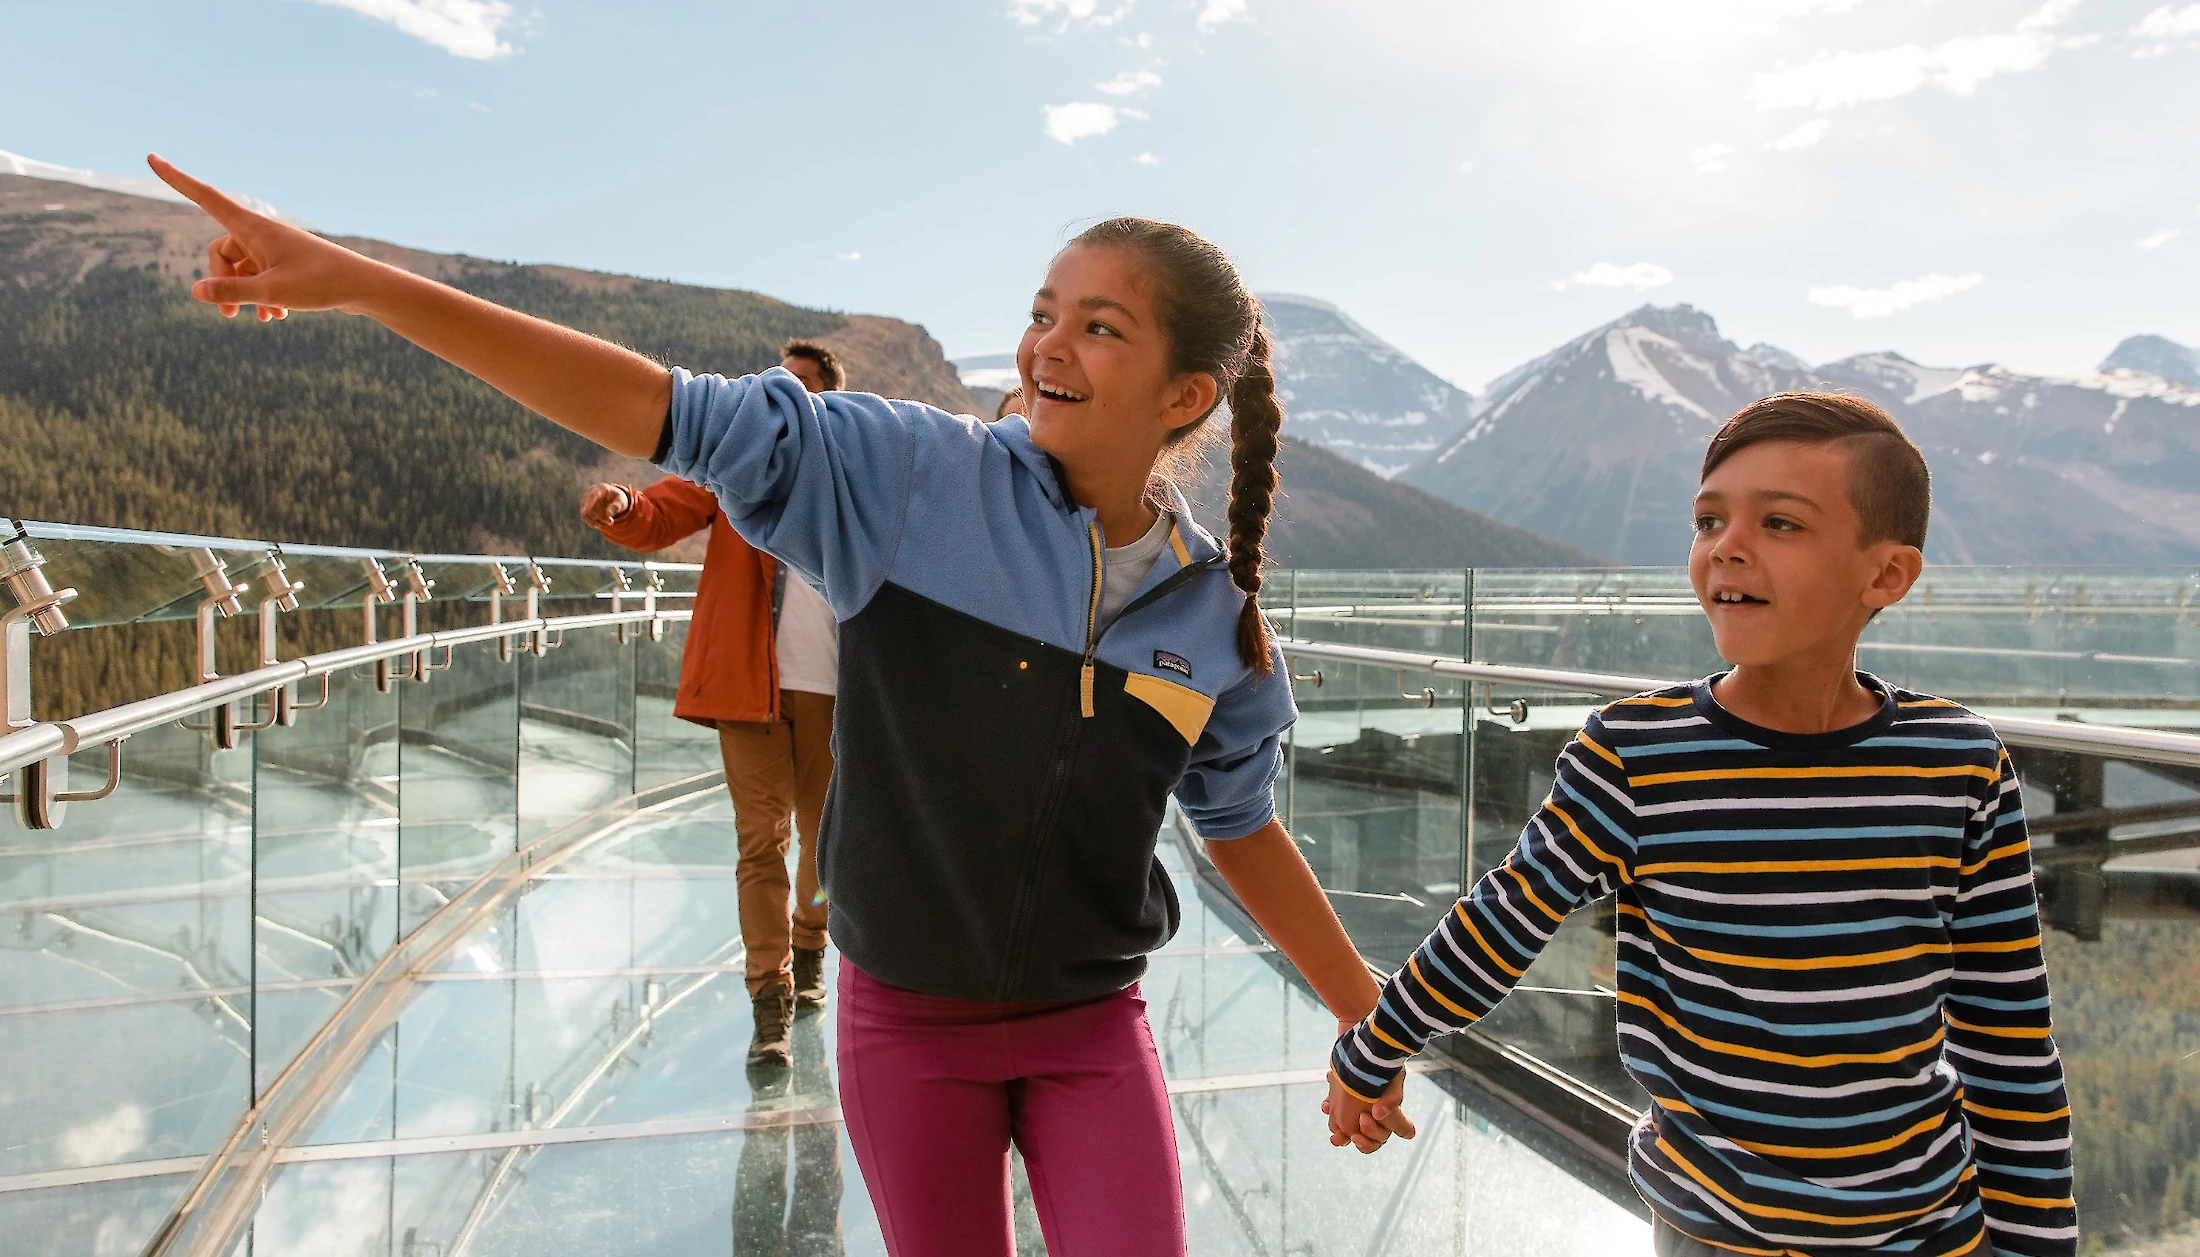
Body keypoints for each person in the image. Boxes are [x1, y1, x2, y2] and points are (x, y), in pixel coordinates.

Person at [151, 155, 1403, 1257]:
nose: (1045, 348)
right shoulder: (911, 474)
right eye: (1040, 313)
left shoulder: (1212, 622)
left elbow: (1239, 824)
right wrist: (369, 283)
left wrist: (1366, 1020)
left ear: (1185, 396)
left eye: (1099, 327)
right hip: (907, 1027)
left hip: (1091, 1027)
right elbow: (658, 409)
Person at [1327, 393, 2077, 1257]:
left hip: (1927, 1230)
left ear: (1886, 576)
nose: (1727, 544)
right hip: (1713, 1231)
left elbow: (2008, 1028)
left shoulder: (1960, 763)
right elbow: (1505, 917)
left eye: (1781, 523)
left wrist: (2033, 1241)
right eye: (1708, 518)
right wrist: (1376, 1045)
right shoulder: (1635, 753)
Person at [578, 336, 847, 1069]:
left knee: (823, 846)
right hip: (747, 687)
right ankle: (771, 1000)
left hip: (833, 691)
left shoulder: (855, 476)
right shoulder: (737, 463)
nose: (779, 397)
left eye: (797, 385)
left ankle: (812, 944)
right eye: (775, 383)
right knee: (759, 841)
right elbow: (664, 511)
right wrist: (624, 507)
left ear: (824, 398)